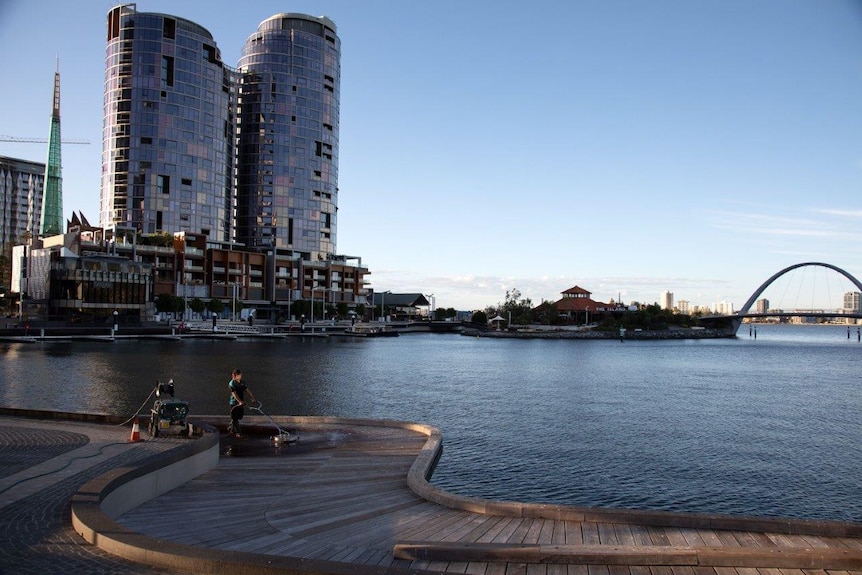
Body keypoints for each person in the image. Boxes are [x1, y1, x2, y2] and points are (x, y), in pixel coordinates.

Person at [227, 368, 256, 437]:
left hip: (241, 402)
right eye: (237, 375)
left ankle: (231, 427)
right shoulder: (231, 384)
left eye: (240, 375)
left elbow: (247, 390)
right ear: (234, 376)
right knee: (235, 418)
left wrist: (253, 398)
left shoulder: (242, 382)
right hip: (234, 403)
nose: (239, 376)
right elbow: (234, 394)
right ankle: (239, 433)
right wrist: (239, 402)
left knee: (240, 416)